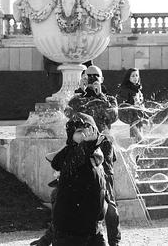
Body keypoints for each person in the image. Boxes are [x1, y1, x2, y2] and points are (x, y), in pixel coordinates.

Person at [67, 65, 121, 246]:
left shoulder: (110, 99)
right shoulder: (77, 98)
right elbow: (71, 114)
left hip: (104, 152)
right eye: (88, 76)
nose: (92, 79)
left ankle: (114, 241)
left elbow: (112, 116)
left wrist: (100, 96)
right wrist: (82, 91)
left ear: (102, 78)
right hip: (83, 152)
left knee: (109, 198)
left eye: (95, 76)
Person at [50, 113, 107, 246]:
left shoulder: (96, 154)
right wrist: (88, 145)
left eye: (88, 129)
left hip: (94, 228)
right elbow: (73, 160)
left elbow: (100, 187)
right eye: (79, 131)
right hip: (70, 230)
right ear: (71, 135)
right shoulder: (68, 153)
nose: (84, 134)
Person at [117, 68, 148, 141]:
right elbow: (121, 104)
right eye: (133, 76)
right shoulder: (125, 89)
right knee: (135, 137)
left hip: (138, 116)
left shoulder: (138, 90)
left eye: (137, 75)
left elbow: (141, 104)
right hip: (130, 116)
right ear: (128, 78)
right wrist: (132, 106)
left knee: (140, 136)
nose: (135, 78)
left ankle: (138, 145)